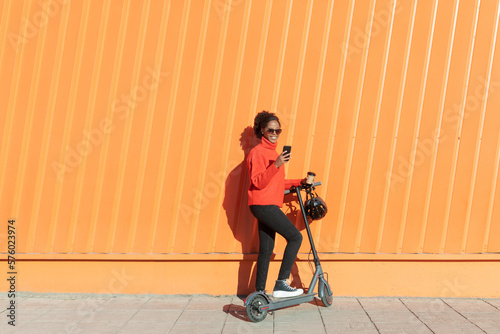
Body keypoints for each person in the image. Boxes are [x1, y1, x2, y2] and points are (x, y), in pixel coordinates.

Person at [246, 110, 309, 298]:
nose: (274, 134)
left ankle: (259, 292)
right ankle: (282, 283)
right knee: (295, 237)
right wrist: (276, 165)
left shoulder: (274, 154)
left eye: (278, 131)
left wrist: (300, 182)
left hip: (266, 204)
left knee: (266, 250)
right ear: (262, 131)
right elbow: (258, 181)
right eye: (271, 130)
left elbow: (278, 184)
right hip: (263, 205)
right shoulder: (257, 153)